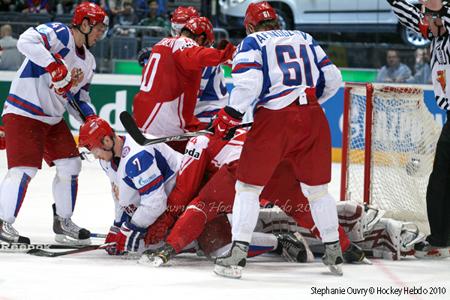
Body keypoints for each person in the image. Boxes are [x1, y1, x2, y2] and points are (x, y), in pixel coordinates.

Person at [209, 2, 344, 278]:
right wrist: (305, 105)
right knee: (317, 191)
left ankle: (237, 255)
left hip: (275, 121)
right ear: (276, 23)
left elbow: (249, 84)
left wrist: (231, 114)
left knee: (248, 187)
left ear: (249, 25)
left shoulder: (252, 41)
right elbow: (334, 79)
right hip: (314, 118)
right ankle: (334, 250)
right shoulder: (304, 37)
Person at [0, 2, 108, 245]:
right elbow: (25, 41)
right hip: (24, 111)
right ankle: (2, 222)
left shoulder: (88, 62)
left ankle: (63, 221)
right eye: (99, 28)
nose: (102, 33)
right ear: (85, 23)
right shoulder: (60, 34)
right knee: (23, 169)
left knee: (70, 165)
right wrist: (54, 65)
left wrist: (91, 119)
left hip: (53, 118)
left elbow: (79, 99)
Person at [387, 0, 450, 259]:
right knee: (441, 179)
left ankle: (441, 236)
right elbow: (408, 11)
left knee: (441, 179)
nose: (424, 22)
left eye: (430, 15)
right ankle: (441, 237)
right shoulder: (434, 28)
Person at [78, 116, 183, 254]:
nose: (96, 157)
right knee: (136, 243)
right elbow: (120, 193)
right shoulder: (107, 160)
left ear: (107, 141)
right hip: (162, 201)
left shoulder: (137, 157)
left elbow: (155, 203)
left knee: (144, 244)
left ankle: (191, 239)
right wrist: (118, 225)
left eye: (96, 151)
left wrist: (133, 227)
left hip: (181, 198)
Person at [132, 16, 235, 138]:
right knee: (208, 143)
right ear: (201, 39)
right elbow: (198, 56)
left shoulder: (160, 44)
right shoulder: (186, 44)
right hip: (164, 120)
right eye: (207, 45)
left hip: (141, 112)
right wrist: (228, 53)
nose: (206, 48)